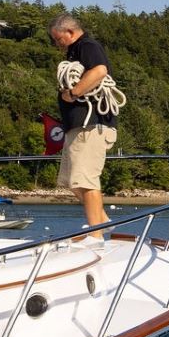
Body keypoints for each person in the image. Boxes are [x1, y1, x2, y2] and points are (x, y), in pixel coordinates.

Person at [49, 13, 117, 236]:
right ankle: (102, 220)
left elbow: (99, 71)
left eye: (58, 39)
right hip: (77, 127)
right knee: (72, 180)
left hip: (91, 125)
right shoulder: (74, 51)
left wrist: (74, 92)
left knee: (86, 180)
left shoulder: (87, 45)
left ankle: (96, 234)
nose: (57, 44)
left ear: (70, 32)